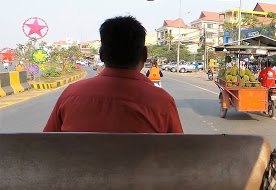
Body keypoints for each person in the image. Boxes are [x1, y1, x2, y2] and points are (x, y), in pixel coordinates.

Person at [43, 16, 183, 133]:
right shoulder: (162, 102)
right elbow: (179, 153)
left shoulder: (70, 95)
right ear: (145, 55)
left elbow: (46, 144)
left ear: (101, 54)